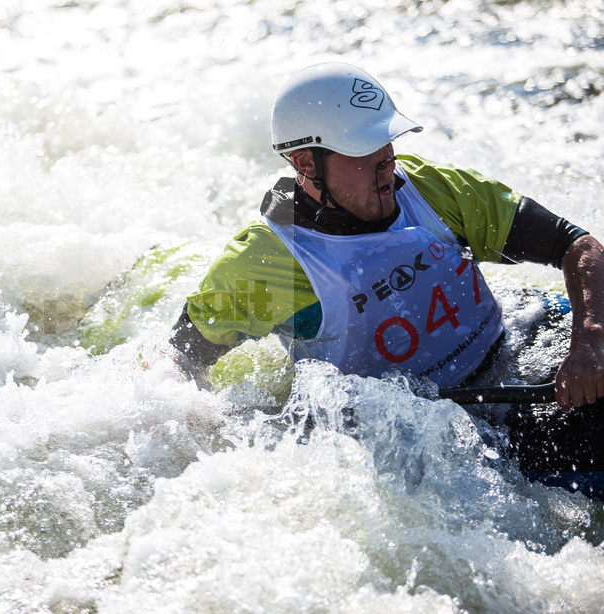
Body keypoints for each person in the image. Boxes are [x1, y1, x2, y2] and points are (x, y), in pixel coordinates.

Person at [169, 62, 604, 411]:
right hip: (435, 428)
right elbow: (175, 362)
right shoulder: (267, 262)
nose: (388, 162)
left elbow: (576, 245)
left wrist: (590, 342)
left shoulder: (429, 189)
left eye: (387, 143)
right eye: (365, 152)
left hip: (515, 353)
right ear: (305, 163)